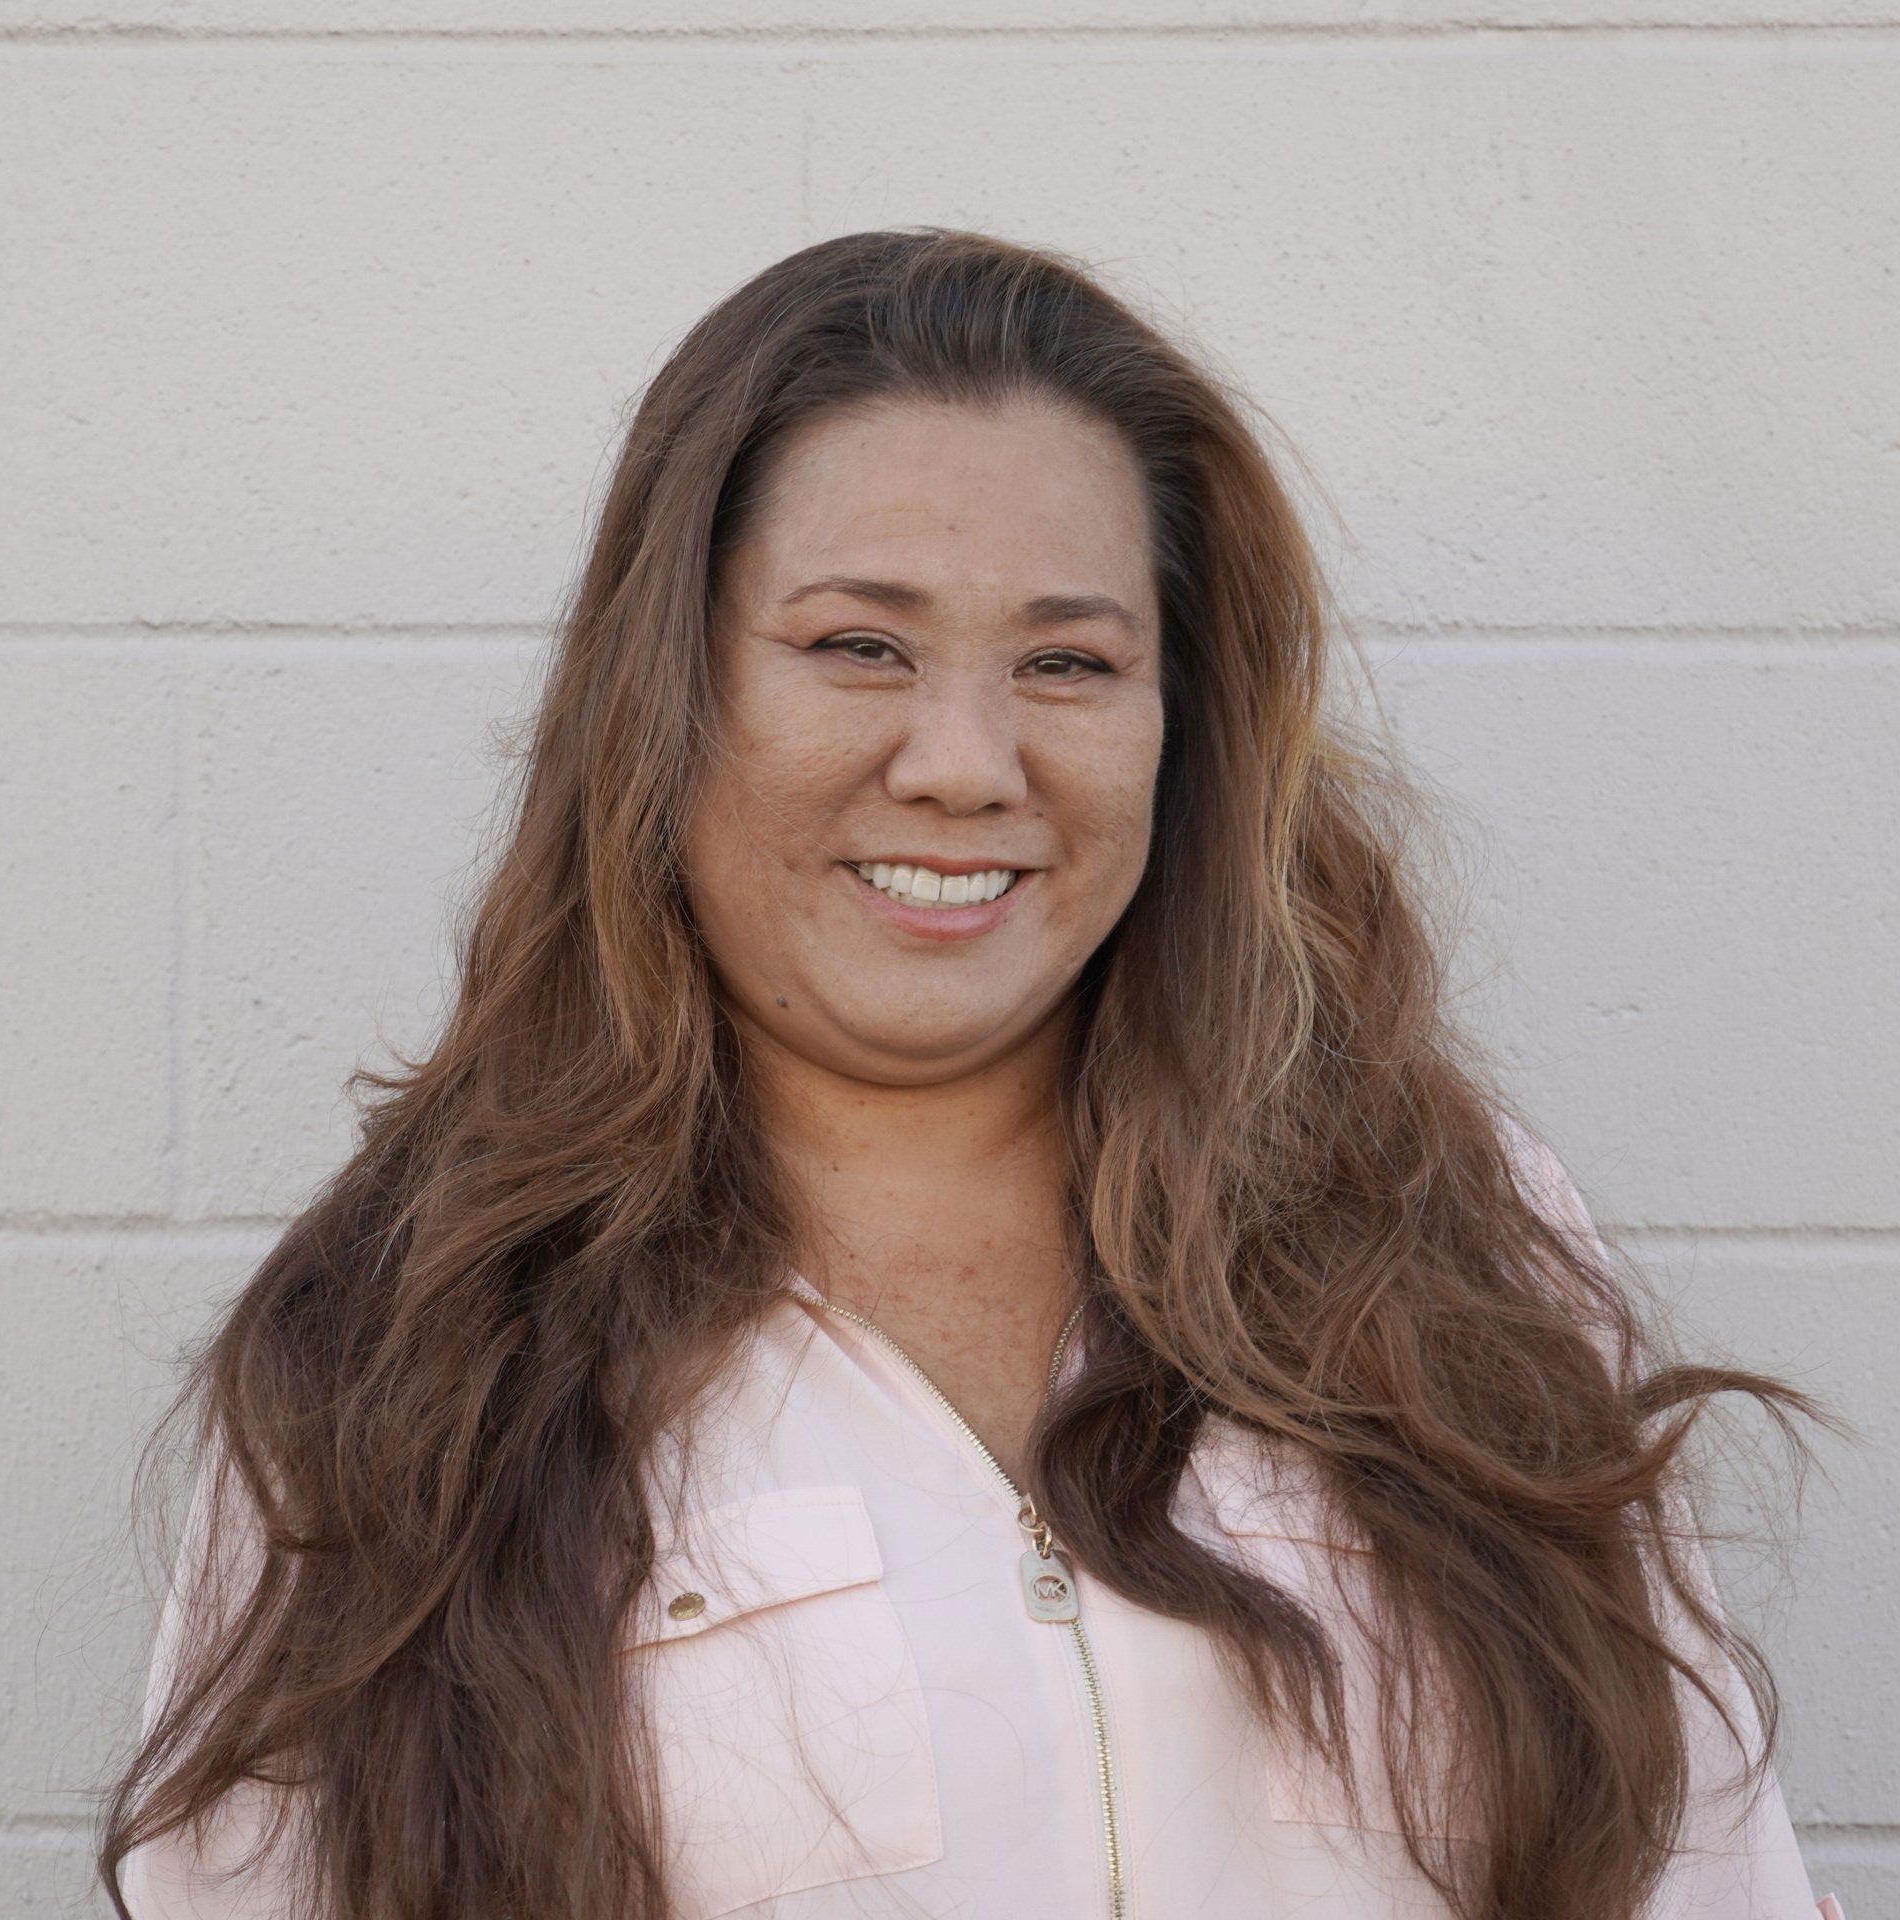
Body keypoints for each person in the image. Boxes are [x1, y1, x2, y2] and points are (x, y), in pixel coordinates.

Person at [98, 227, 1850, 1920]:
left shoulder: (1449, 1244)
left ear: (1185, 728)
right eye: (858, 645)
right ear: (671, 694)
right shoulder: (409, 1344)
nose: (964, 762)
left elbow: (1696, 1875)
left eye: (1069, 664)